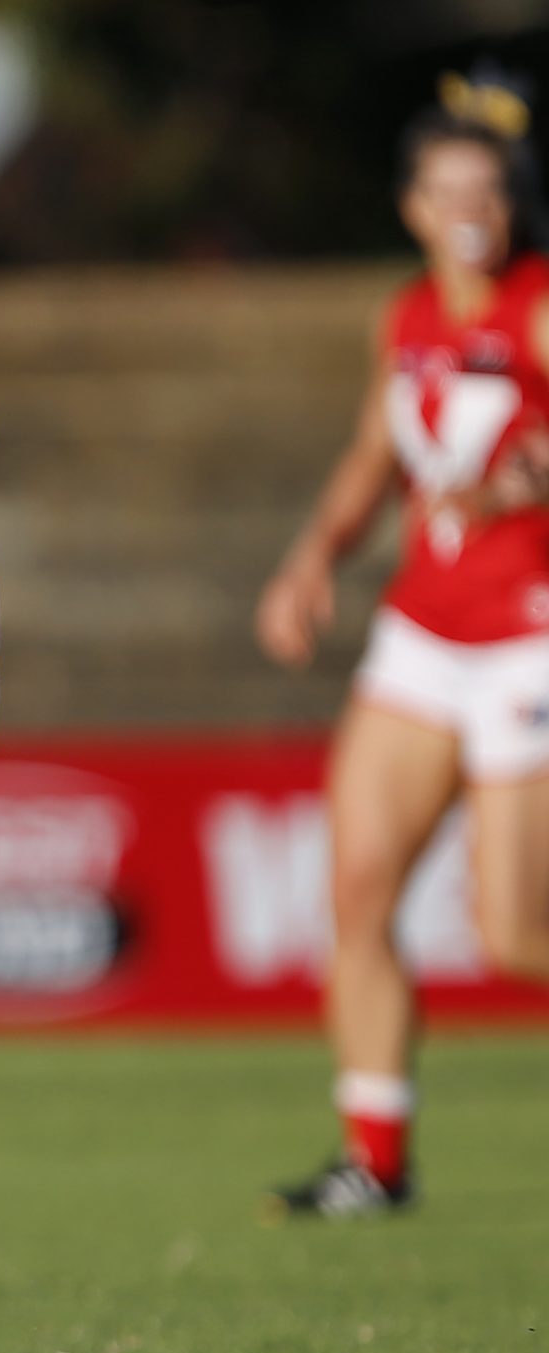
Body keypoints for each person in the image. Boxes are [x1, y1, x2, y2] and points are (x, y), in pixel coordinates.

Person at [253, 74, 549, 1219]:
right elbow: (374, 453)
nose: (467, 207)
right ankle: (373, 1159)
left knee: (513, 931)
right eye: (446, 188)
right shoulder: (412, 313)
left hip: (527, 641)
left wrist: (532, 472)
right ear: (413, 203)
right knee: (359, 888)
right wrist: (312, 558)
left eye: (487, 188)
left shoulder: (534, 301)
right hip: (423, 633)